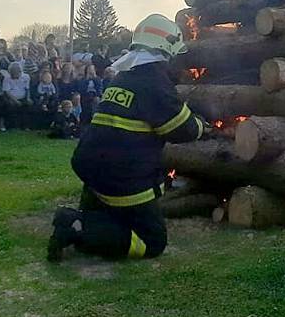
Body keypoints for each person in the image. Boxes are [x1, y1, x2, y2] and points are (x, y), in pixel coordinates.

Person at [47, 14, 212, 263]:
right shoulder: (154, 82)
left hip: (91, 170)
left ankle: (76, 217)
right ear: (165, 51)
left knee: (114, 214)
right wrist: (204, 125)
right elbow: (184, 130)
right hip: (122, 176)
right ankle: (77, 228)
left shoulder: (124, 77)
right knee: (152, 241)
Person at [2, 62, 32, 130]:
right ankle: (13, 126)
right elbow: (7, 92)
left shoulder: (26, 77)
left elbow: (27, 89)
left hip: (23, 97)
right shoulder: (7, 78)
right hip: (11, 98)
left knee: (28, 105)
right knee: (11, 106)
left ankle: (26, 126)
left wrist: (28, 98)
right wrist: (15, 100)